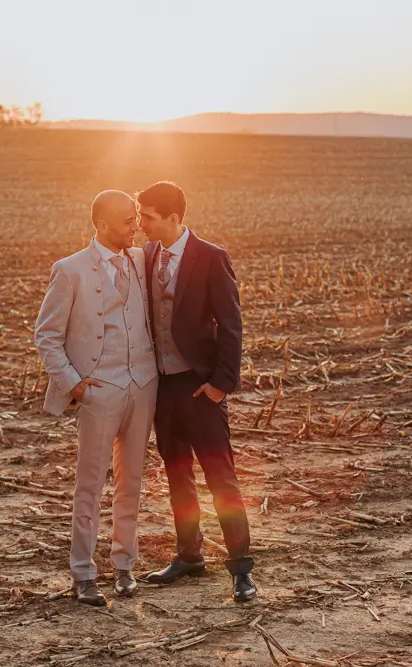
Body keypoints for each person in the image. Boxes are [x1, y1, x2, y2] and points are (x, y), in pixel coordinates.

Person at [34, 190, 159, 606]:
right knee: (89, 484)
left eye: (137, 217)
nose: (135, 225)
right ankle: (84, 573)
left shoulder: (143, 260)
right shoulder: (69, 271)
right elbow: (47, 336)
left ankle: (124, 565)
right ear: (102, 225)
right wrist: (74, 383)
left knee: (132, 481)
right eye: (127, 219)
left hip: (142, 385)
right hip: (97, 391)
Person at [136, 181, 257, 602]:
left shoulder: (211, 257)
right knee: (176, 474)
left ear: (173, 217)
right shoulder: (147, 255)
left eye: (147, 216)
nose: (140, 224)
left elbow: (231, 323)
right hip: (163, 385)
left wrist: (221, 384)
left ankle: (241, 568)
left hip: (201, 386)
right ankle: (189, 555)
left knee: (220, 476)